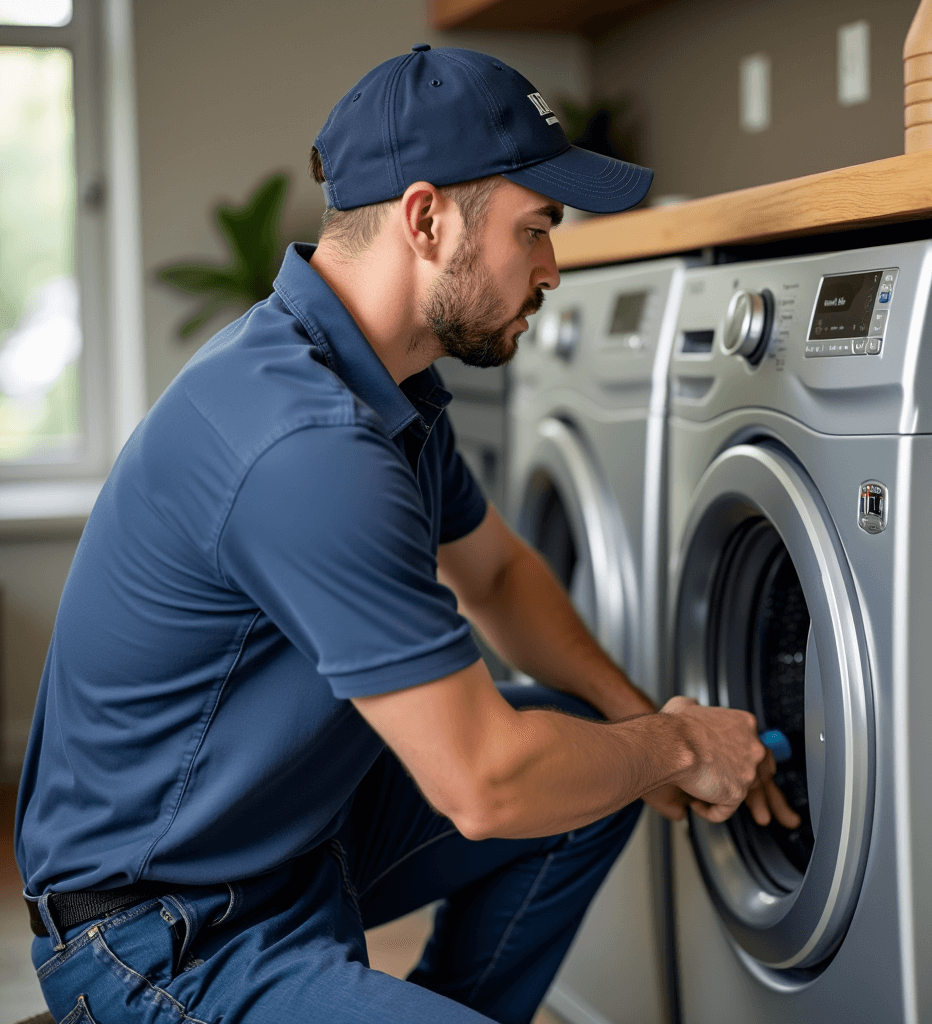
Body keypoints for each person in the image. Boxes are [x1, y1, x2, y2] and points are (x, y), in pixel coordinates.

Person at [15, 46, 798, 1024]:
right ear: (426, 220)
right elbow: (484, 786)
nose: (553, 268)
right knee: (553, 768)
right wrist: (676, 744)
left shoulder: (385, 385)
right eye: (535, 229)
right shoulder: (306, 443)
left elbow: (497, 577)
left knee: (592, 756)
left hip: (292, 840)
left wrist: (637, 721)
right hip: (163, 933)